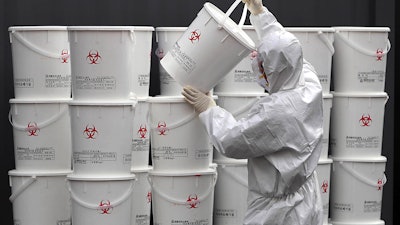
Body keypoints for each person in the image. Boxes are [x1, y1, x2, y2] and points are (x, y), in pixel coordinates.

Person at [181, 0, 324, 224]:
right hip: (307, 197)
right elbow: (285, 49)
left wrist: (209, 109)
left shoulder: (276, 113)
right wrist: (259, 12)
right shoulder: (308, 81)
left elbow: (232, 140)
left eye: (263, 65)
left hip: (278, 211)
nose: (259, 67)